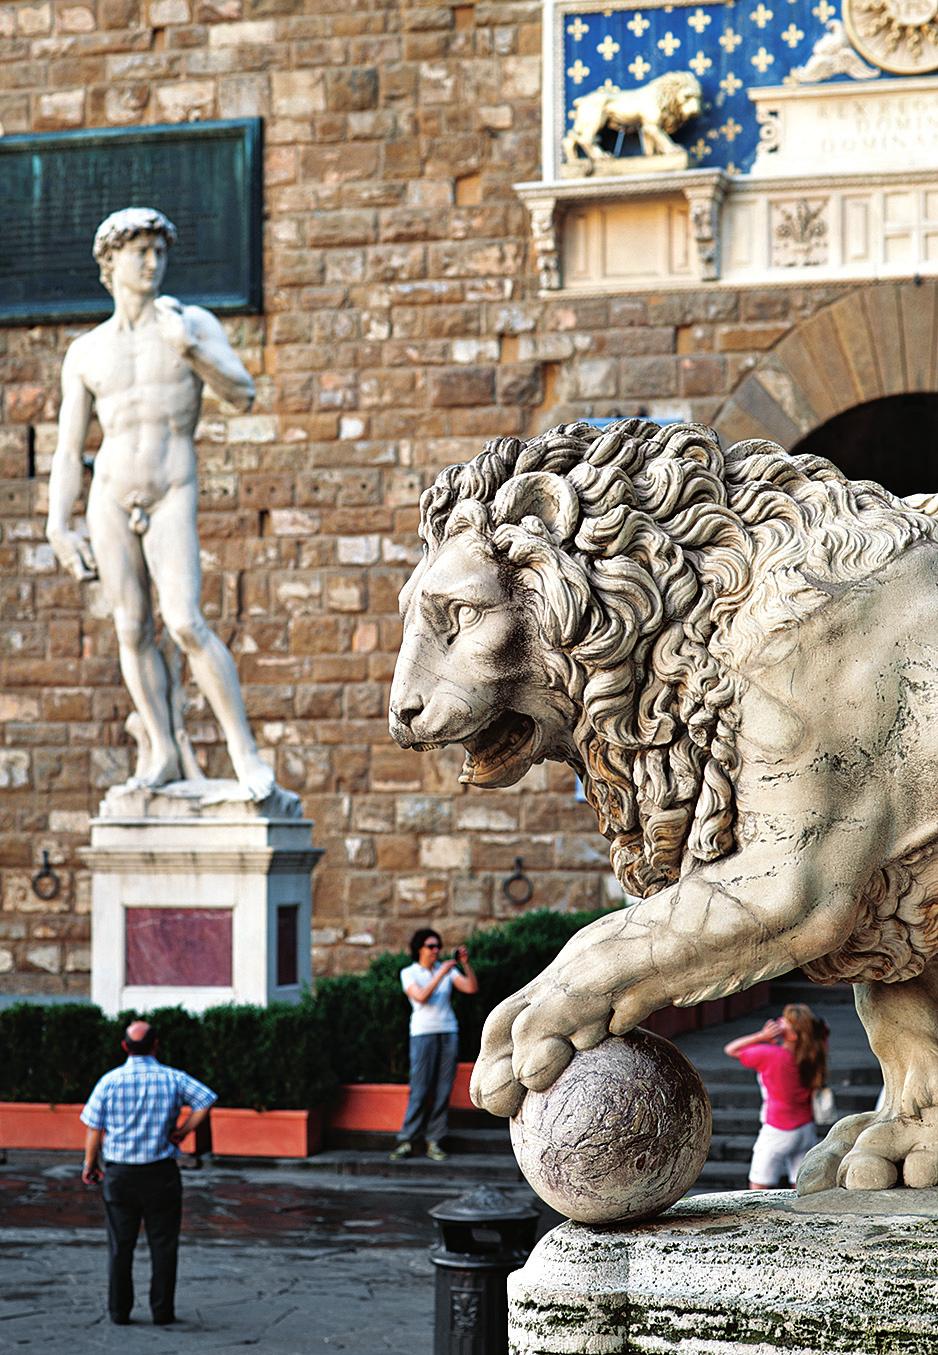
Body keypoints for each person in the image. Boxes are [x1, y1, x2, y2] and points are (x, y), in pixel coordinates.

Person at [46, 206, 275, 800]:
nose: (152, 262)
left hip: (172, 489)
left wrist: (192, 348)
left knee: (184, 620)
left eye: (159, 252)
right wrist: (56, 525)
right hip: (109, 496)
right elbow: (70, 450)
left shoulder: (190, 322)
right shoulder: (88, 351)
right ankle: (164, 750)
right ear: (111, 261)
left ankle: (244, 755)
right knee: (131, 627)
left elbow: (243, 393)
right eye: (139, 251)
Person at [80, 1019, 216, 1326]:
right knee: (164, 1244)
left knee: (120, 1245)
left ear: (125, 1047)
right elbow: (205, 1100)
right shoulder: (173, 1078)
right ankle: (162, 1311)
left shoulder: (109, 1082)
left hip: (120, 1175)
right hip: (161, 1173)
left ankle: (119, 1311)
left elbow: (94, 1129)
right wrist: (182, 1132)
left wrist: (91, 1163)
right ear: (156, 1045)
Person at [389, 928, 478, 1163]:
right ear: (419, 948)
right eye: (430, 946)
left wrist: (464, 965)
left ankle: (435, 1140)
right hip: (422, 1033)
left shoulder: (445, 971)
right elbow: (420, 996)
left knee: (443, 1088)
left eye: (438, 946)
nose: (435, 950)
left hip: (448, 1030)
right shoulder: (409, 973)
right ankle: (407, 1139)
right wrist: (442, 974)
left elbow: (470, 988)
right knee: (419, 1087)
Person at [724, 1003, 829, 1190]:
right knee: (801, 1187)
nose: (778, 1021)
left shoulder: (771, 1055)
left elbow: (731, 1050)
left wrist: (761, 1036)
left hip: (777, 1130)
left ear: (794, 1034)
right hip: (806, 1129)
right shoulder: (813, 1053)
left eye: (785, 1021)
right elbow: (822, 1031)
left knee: (758, 1189)